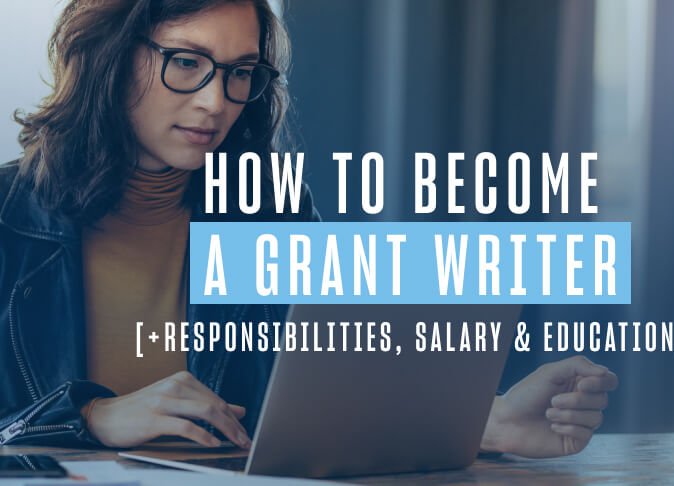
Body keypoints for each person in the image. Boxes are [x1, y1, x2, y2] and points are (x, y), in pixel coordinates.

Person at [0, 0, 617, 459]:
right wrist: (93, 415)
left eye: (240, 72)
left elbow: (325, 395)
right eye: (186, 62)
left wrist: (493, 419)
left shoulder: (267, 210)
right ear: (110, 55)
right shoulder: (8, 215)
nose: (216, 100)